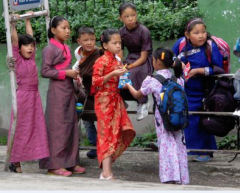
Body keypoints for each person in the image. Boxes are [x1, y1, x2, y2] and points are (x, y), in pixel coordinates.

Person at [125, 48, 189, 184]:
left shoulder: (152, 80)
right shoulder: (178, 79)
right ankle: (182, 178)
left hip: (162, 119)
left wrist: (128, 84)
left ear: (157, 62)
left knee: (166, 145)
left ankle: (170, 177)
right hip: (178, 117)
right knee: (179, 145)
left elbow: (138, 94)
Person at [39, 15, 86, 176]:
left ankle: (71, 162)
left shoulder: (65, 47)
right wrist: (66, 73)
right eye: (63, 28)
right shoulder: (49, 49)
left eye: (68, 28)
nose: (67, 31)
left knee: (71, 125)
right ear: (53, 30)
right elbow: (45, 71)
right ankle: (54, 165)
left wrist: (75, 76)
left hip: (68, 89)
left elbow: (68, 69)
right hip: (57, 91)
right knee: (57, 127)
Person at [172, 18, 224, 162]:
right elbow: (172, 57)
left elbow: (218, 69)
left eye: (203, 32)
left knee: (202, 119)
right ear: (187, 35)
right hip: (185, 89)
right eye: (196, 33)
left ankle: (205, 152)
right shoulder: (181, 43)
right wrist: (179, 64)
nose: (201, 35)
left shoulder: (210, 47)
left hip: (205, 90)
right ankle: (189, 149)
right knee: (187, 118)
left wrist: (198, 71)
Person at [7, 12, 50, 173]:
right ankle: (15, 162)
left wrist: (27, 20)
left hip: (34, 97)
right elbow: (15, 40)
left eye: (32, 45)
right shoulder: (17, 58)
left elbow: (29, 36)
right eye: (26, 46)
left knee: (35, 127)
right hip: (22, 97)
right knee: (20, 128)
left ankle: (37, 156)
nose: (30, 48)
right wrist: (13, 24)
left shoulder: (31, 58)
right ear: (19, 48)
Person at [92, 29, 135, 180]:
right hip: (104, 100)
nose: (118, 46)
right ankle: (106, 172)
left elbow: (118, 80)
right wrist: (113, 74)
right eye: (114, 43)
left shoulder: (117, 60)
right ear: (104, 45)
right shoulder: (101, 61)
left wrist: (123, 80)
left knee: (115, 133)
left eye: (119, 43)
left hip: (115, 99)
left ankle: (107, 172)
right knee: (105, 134)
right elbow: (95, 81)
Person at [118, 2, 153, 120]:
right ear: (120, 18)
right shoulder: (121, 32)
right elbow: (120, 53)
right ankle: (122, 101)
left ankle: (143, 102)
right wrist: (119, 65)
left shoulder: (144, 31)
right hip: (130, 59)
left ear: (136, 15)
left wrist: (130, 66)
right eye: (126, 16)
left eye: (132, 15)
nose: (130, 19)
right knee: (118, 75)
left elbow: (143, 57)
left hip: (145, 60)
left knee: (133, 73)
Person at [72, 26, 100, 159]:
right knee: (87, 120)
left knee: (102, 120)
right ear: (79, 41)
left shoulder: (100, 53)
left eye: (92, 39)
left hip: (100, 92)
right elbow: (77, 66)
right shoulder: (78, 53)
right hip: (86, 91)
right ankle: (94, 146)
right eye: (85, 40)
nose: (89, 43)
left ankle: (103, 146)